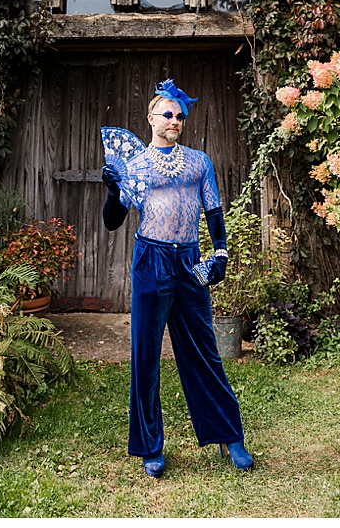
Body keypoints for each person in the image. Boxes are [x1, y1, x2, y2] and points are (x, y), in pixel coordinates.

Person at [99, 79, 253, 477]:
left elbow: (214, 211)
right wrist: (112, 191)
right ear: (151, 118)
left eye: (181, 116)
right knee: (146, 355)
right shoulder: (135, 166)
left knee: (204, 350)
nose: (176, 121)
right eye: (168, 114)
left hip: (188, 262)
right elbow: (113, 222)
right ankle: (150, 446)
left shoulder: (199, 161)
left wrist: (219, 252)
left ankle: (228, 436)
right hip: (150, 259)